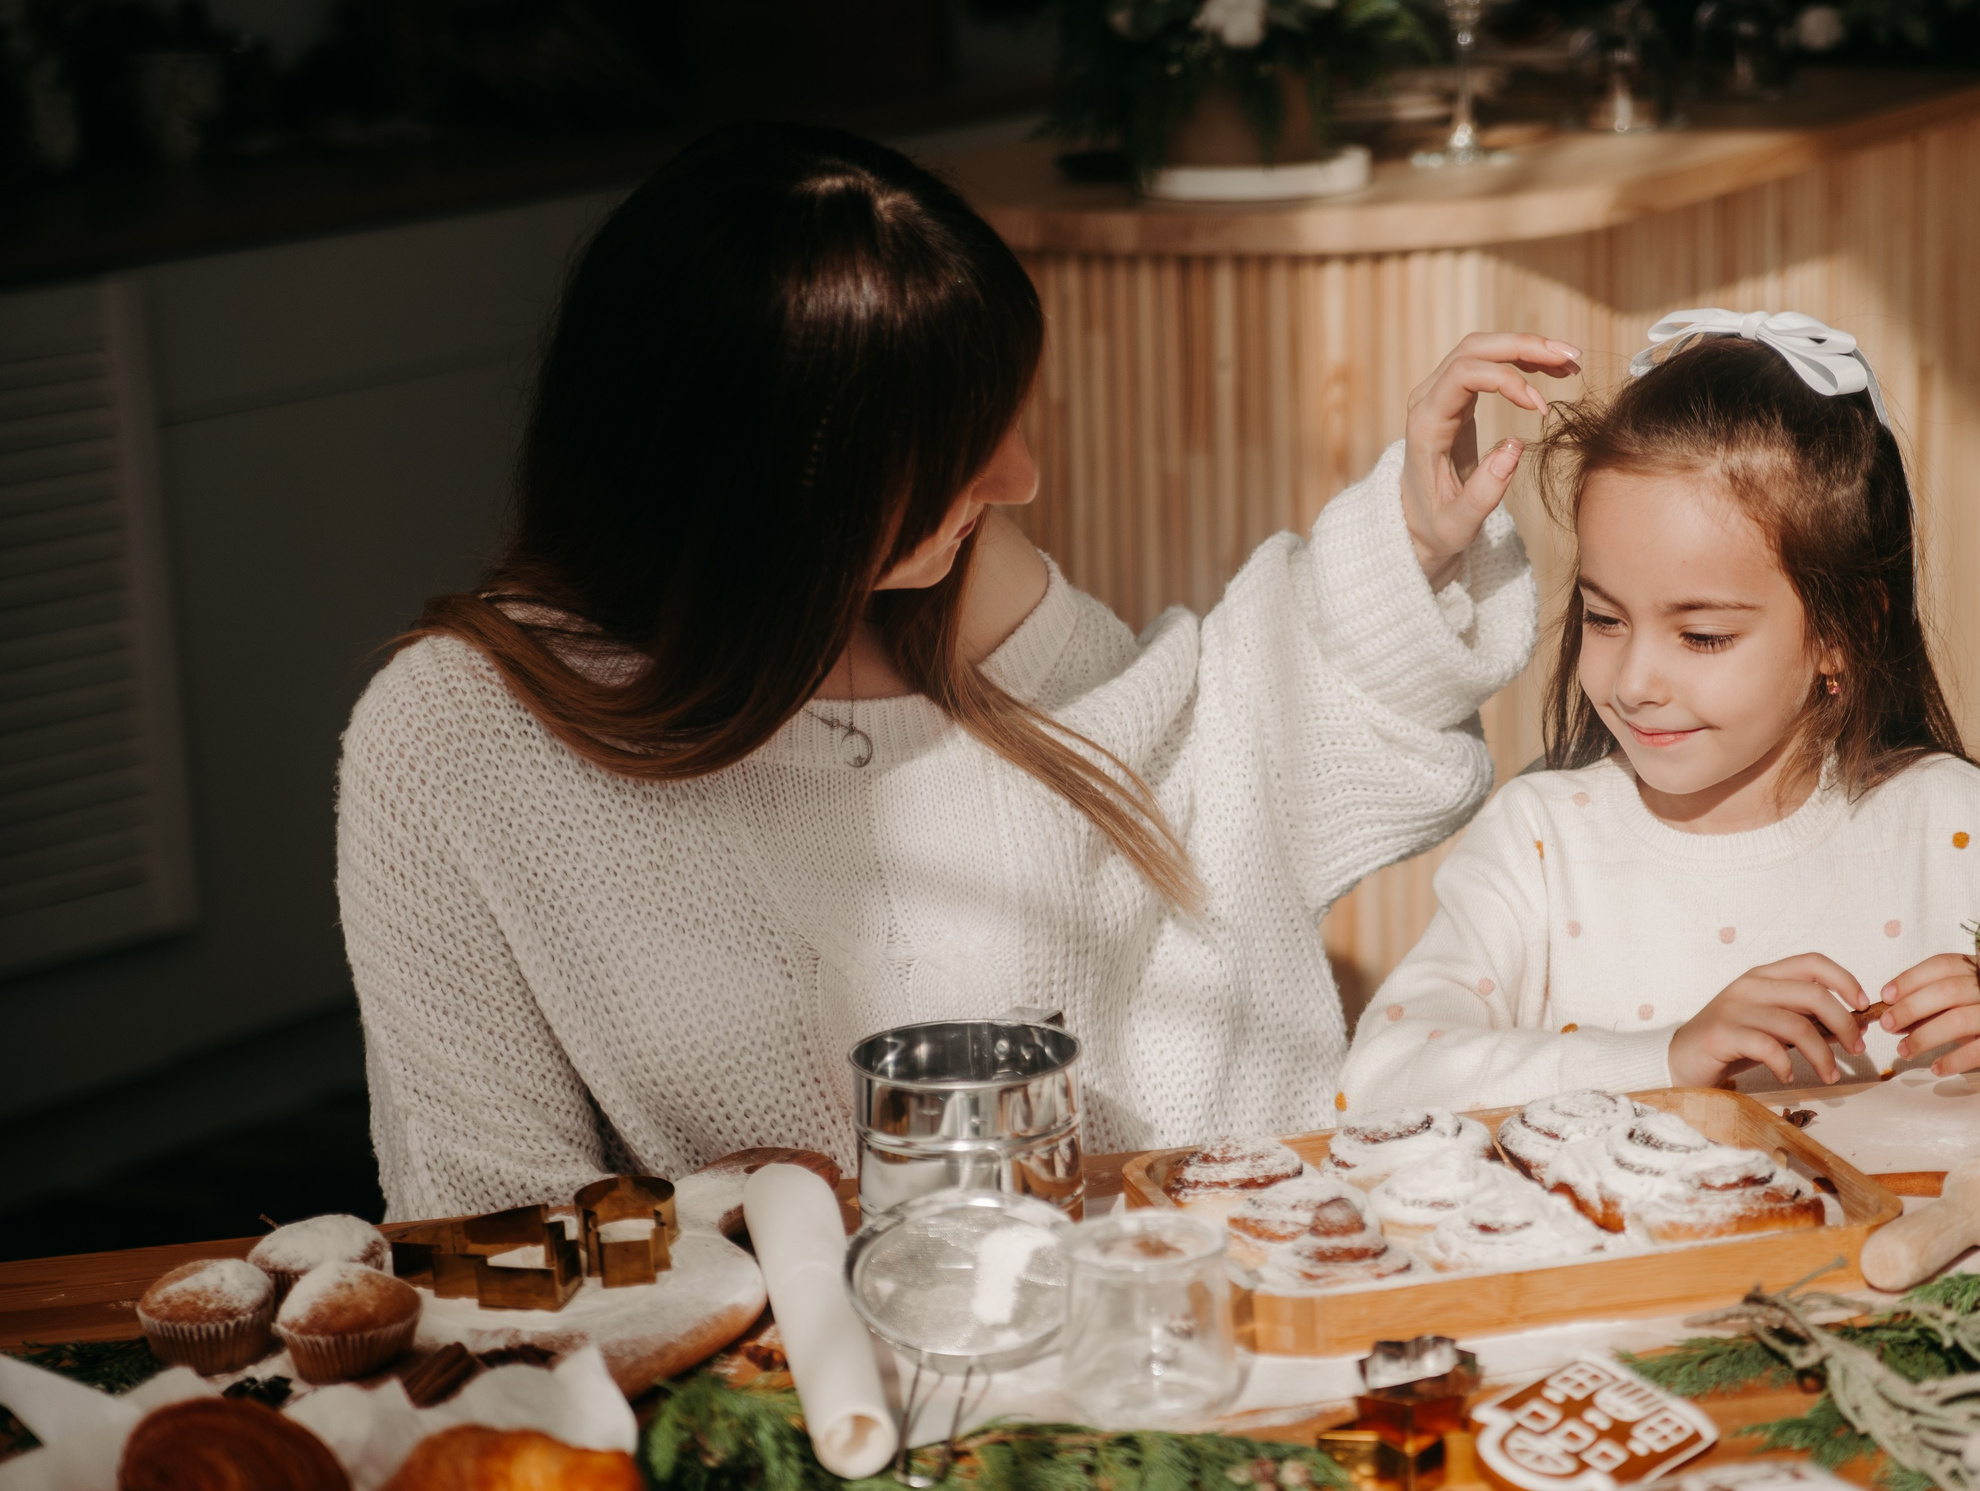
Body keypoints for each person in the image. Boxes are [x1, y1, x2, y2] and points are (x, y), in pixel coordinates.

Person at [337, 122, 1579, 1218]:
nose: (1022, 479)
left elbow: (1219, 758)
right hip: (764, 1405)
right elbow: (482, 1224)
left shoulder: (960, 587)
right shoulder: (455, 744)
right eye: (956, 456)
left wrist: (1411, 542)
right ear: (770, 496)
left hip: (1161, 1309)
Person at [1340, 310, 1980, 1113]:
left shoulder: (1965, 833)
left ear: (1843, 629)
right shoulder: (1543, 846)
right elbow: (1380, 1079)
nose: (1636, 679)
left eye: (1703, 635)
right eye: (1605, 618)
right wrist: (1669, 1057)